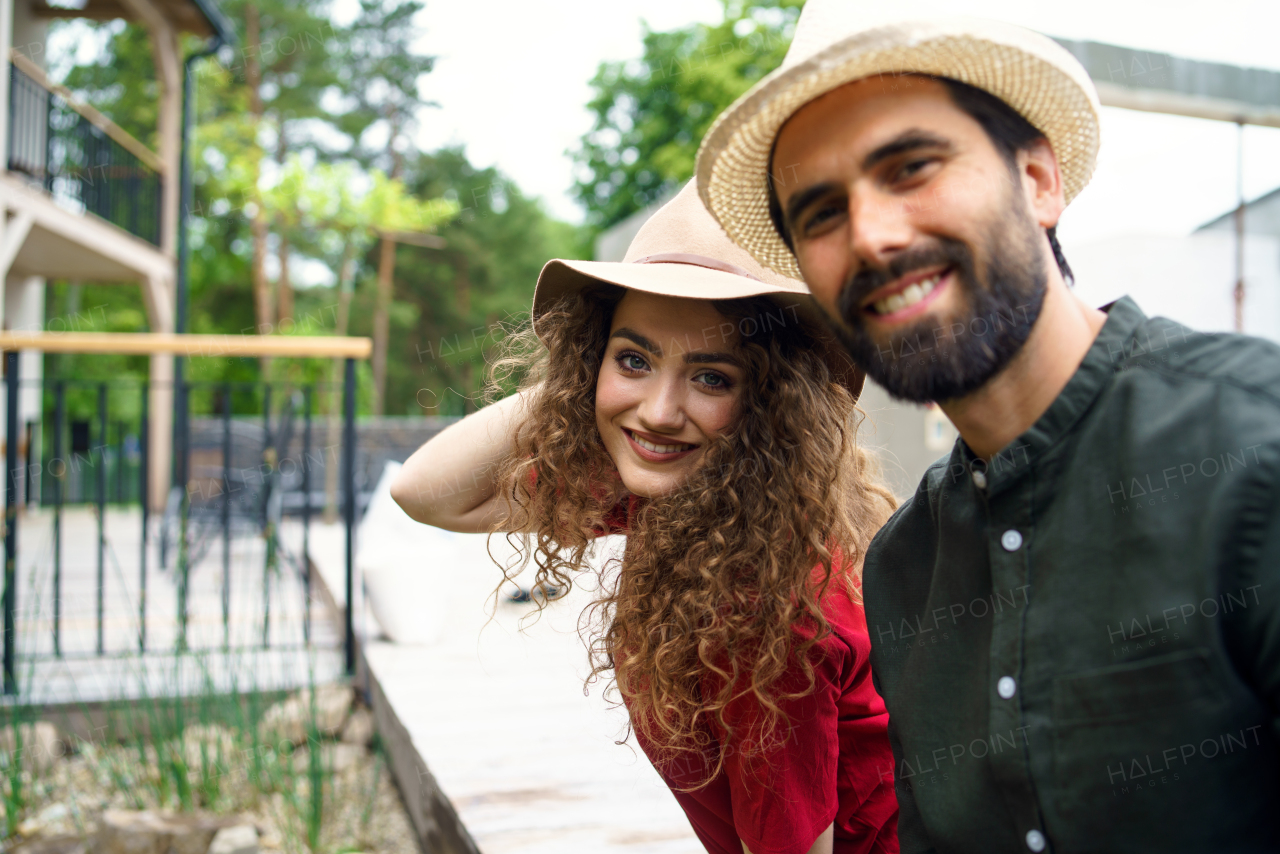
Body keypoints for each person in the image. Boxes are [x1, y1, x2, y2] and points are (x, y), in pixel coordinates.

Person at [694, 4, 1280, 853]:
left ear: (1039, 179)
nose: (871, 236)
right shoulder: (904, 567)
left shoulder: (1251, 448)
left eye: (912, 166)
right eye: (820, 213)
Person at [390, 182, 901, 854]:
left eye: (711, 376)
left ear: (769, 403)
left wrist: (623, 365)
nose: (659, 411)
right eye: (633, 360)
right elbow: (427, 491)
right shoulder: (685, 501)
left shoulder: (770, 604)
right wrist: (587, 380)